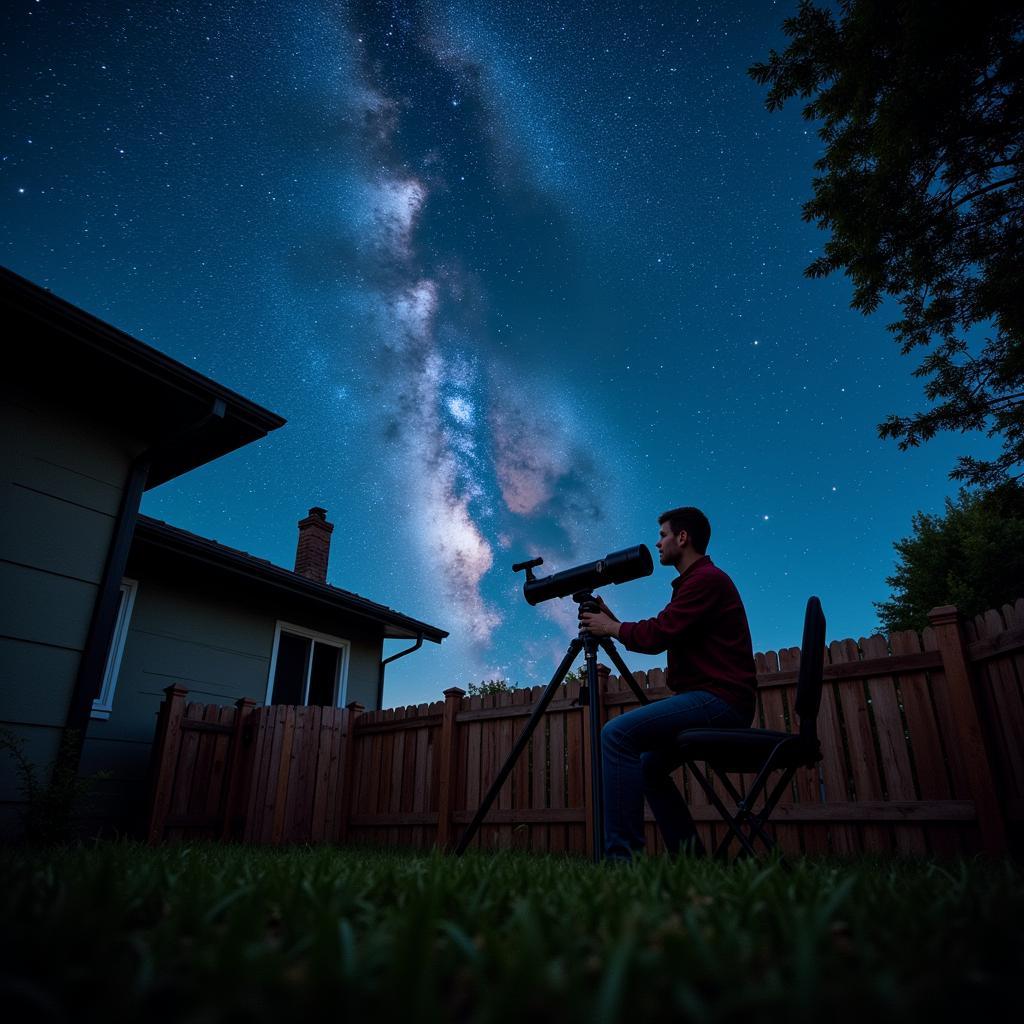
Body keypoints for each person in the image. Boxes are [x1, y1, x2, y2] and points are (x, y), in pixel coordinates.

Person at [579, 506, 756, 860]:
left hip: (721, 701)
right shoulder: (695, 584)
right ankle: (691, 860)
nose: (657, 543)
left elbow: (660, 633)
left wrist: (612, 628)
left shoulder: (705, 580)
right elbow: (666, 629)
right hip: (717, 698)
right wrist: (615, 623)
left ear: (683, 537)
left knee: (616, 734)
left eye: (662, 535)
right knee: (649, 767)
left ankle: (621, 860)